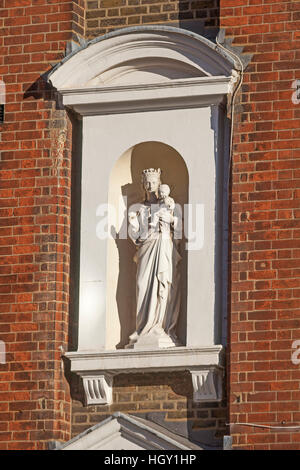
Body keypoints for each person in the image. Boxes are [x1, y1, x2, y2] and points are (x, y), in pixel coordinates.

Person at [127, 168, 181, 349]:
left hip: (163, 246)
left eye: (154, 183)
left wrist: (170, 220)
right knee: (142, 285)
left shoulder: (169, 204)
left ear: (159, 184)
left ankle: (159, 326)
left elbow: (178, 229)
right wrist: (135, 226)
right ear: (143, 184)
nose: (150, 186)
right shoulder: (139, 208)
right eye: (147, 183)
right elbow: (134, 235)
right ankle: (142, 328)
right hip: (145, 249)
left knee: (163, 284)